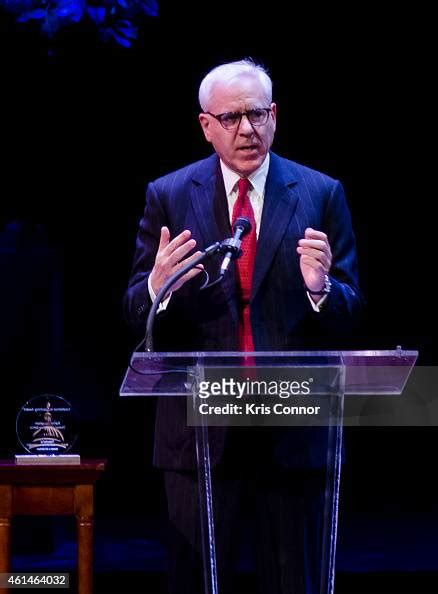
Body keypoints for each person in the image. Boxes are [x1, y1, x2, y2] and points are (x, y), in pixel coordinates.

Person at [124, 59, 363, 594]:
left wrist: (321, 289)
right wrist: (157, 287)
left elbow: (352, 309)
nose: (247, 130)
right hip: (201, 434)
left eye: (257, 114)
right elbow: (135, 313)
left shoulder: (321, 193)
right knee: (196, 581)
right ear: (206, 126)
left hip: (292, 429)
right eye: (230, 118)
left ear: (274, 115)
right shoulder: (168, 194)